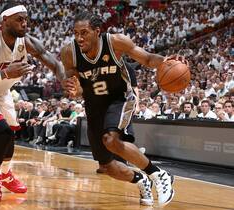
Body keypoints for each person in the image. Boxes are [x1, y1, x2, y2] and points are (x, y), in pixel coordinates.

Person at [61, 11, 186, 206]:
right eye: (76, 33)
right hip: (94, 106)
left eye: (84, 33)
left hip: (119, 99)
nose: (79, 38)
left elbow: (146, 59)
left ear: (97, 31)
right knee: (107, 166)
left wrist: (165, 61)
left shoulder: (116, 42)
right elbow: (73, 83)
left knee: (111, 140)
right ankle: (141, 180)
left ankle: (159, 174)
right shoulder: (69, 52)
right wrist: (74, 89)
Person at [0, 2, 65, 202]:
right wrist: (5, 72)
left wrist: (67, 80)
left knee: (11, 136)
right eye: (19, 19)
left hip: (2, 93)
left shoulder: (27, 42)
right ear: (5, 20)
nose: (24, 24)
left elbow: (55, 63)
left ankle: (6, 174)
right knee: (2, 131)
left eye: (26, 20)